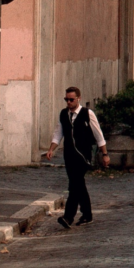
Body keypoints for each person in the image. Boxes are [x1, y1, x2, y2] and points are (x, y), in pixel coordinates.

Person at [46, 87, 109, 228]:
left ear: (78, 99)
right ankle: (87, 215)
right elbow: (58, 133)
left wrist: (105, 154)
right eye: (66, 99)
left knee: (74, 184)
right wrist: (51, 149)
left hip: (83, 156)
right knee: (78, 185)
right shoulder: (63, 114)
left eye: (71, 99)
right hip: (69, 156)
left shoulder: (88, 114)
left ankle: (68, 217)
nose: (68, 102)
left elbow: (99, 135)